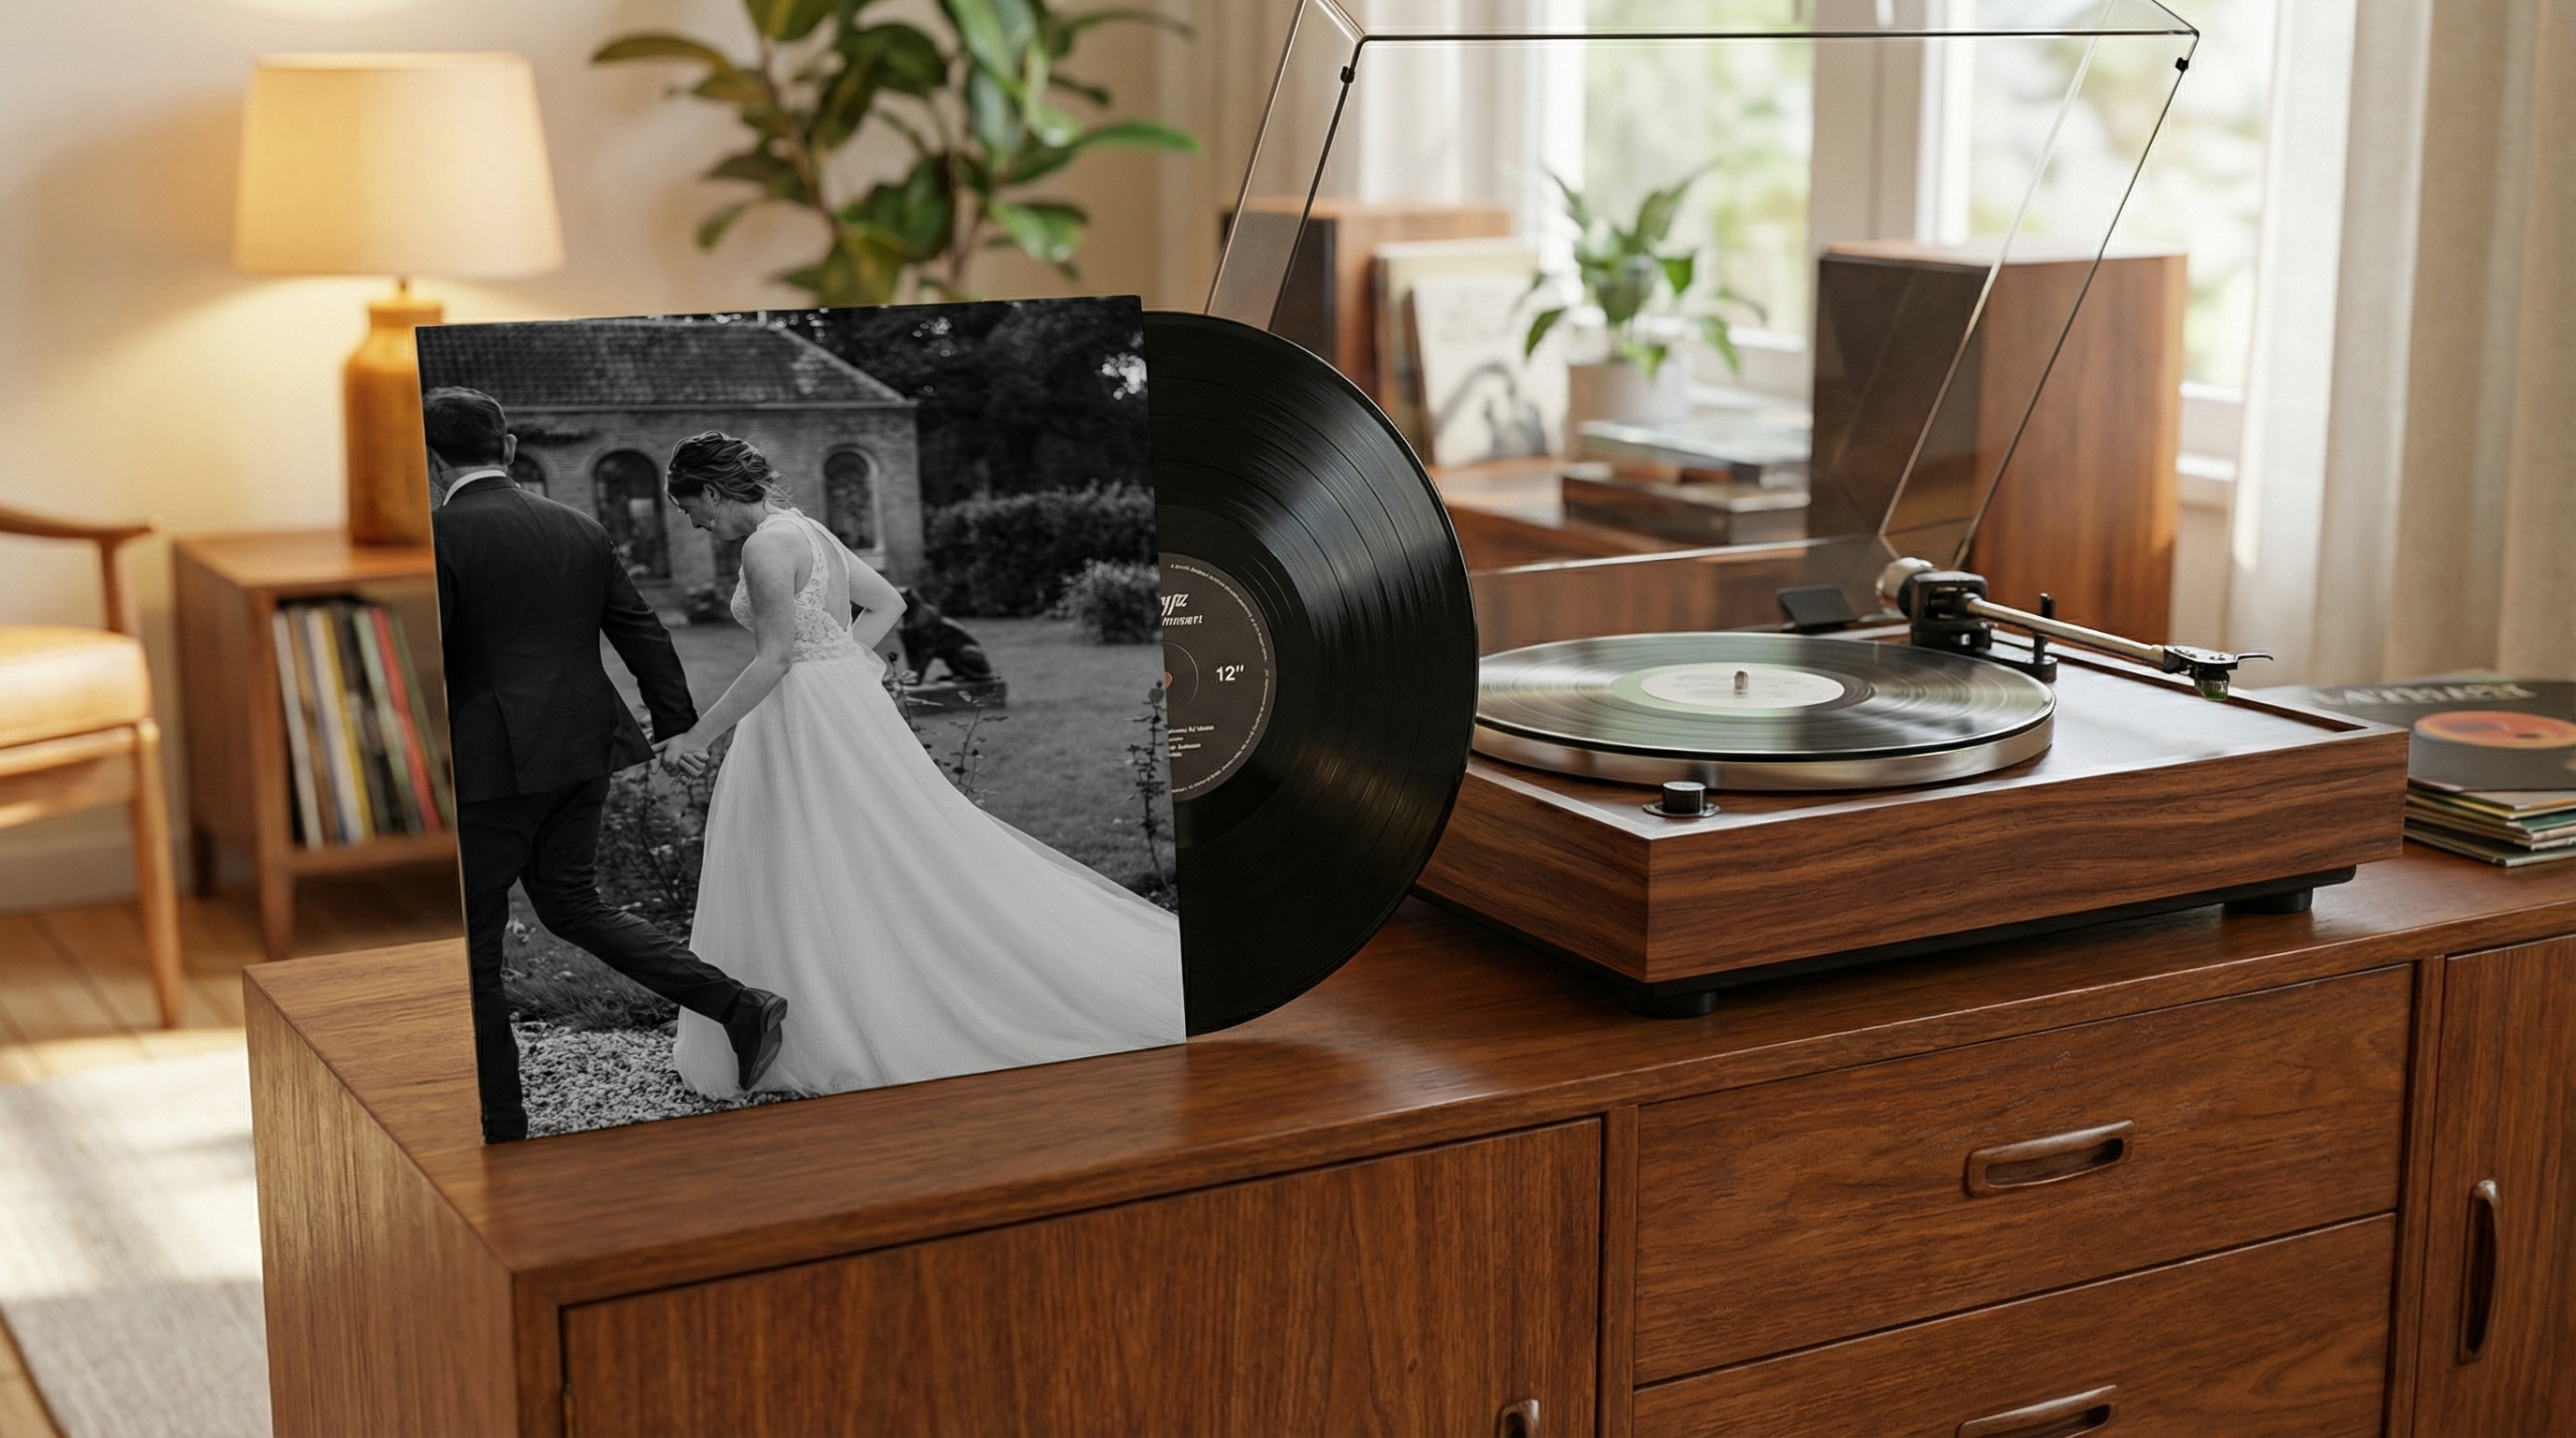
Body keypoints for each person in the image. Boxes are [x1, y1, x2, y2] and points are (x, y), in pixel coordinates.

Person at [654, 432, 1183, 1098]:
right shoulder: (806, 528)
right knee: (867, 852)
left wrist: (696, 736)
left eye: (689, 508)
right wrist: (840, 666)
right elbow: (888, 605)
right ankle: (847, 999)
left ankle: (839, 1018)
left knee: (810, 855)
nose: (694, 523)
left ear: (710, 490)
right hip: (839, 709)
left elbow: (774, 659)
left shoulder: (763, 546)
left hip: (803, 719)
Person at [423, 389, 787, 1142]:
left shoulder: (438, 536)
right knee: (571, 904)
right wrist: (677, 728)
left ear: (431, 459)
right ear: (512, 446)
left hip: (489, 766)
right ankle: (738, 1005)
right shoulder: (578, 526)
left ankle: (500, 1123)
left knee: (474, 948)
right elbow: (642, 630)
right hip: (583, 747)